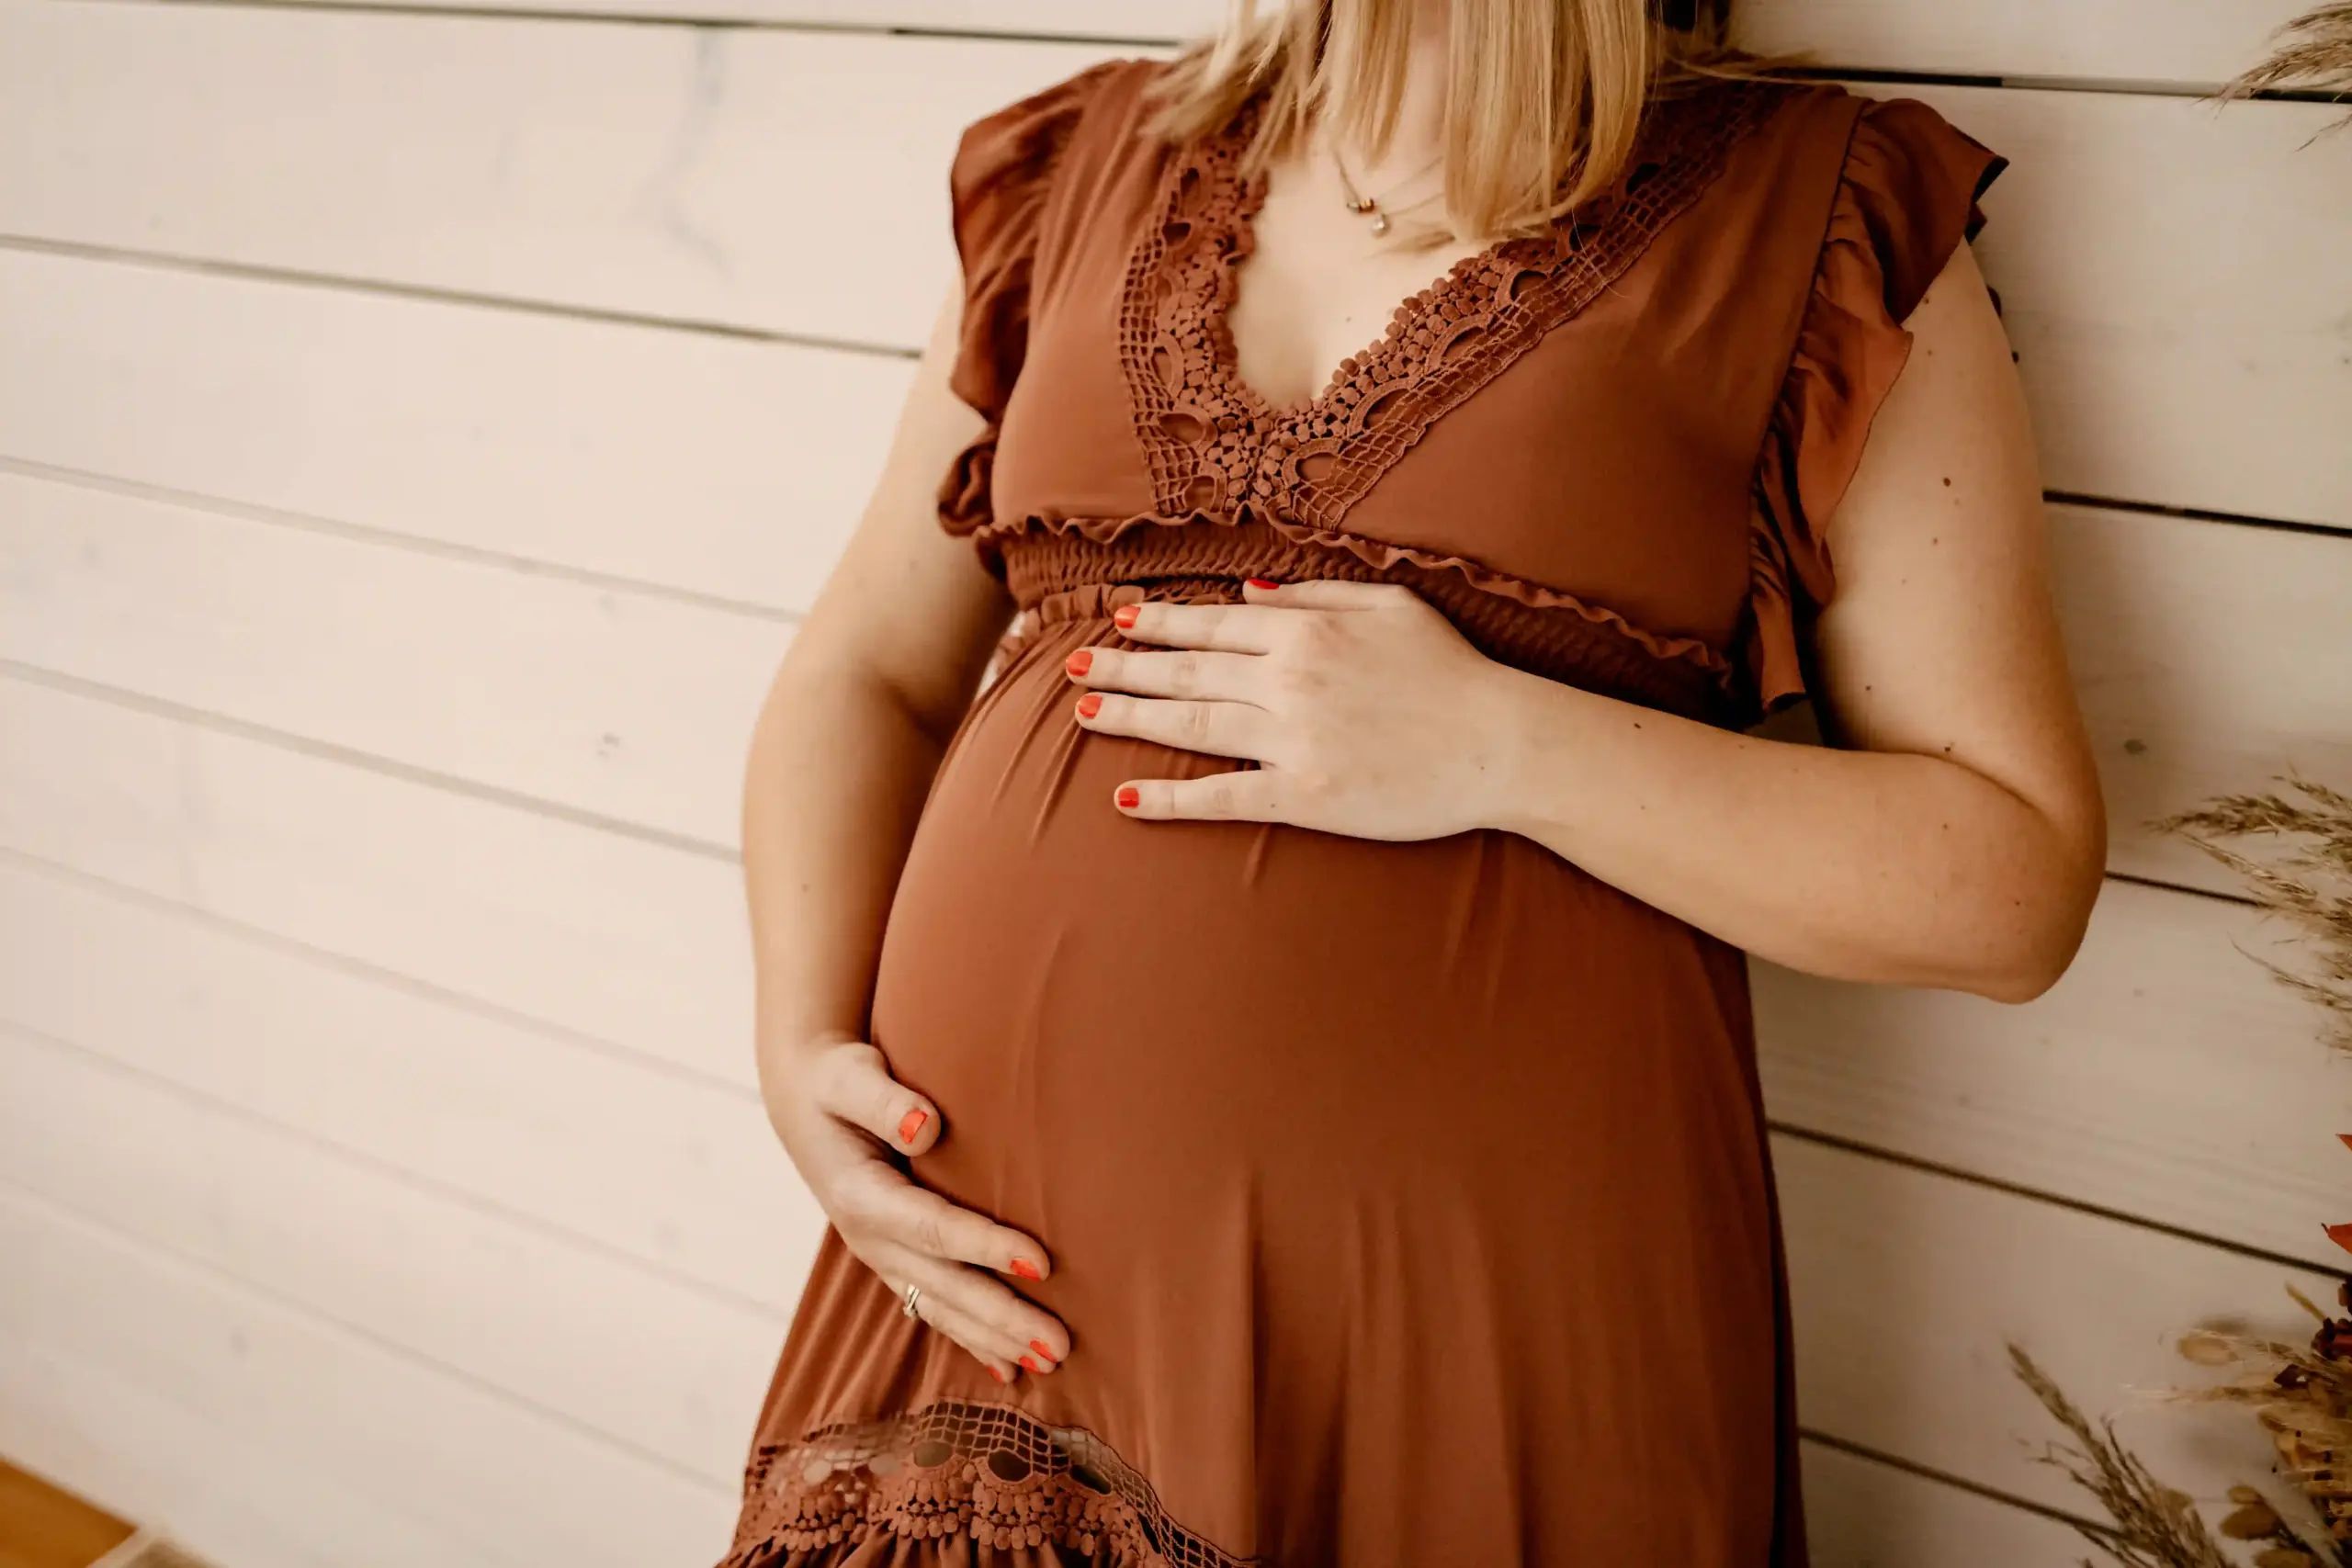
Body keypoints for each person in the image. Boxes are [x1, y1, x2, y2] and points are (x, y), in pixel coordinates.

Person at [718, 0, 2106, 1562]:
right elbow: (871, 672)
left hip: (1482, 1344)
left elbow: (2010, 881)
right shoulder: (1083, 163)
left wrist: (1504, 743)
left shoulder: (1810, 213)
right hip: (988, 1312)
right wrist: (800, 1056)